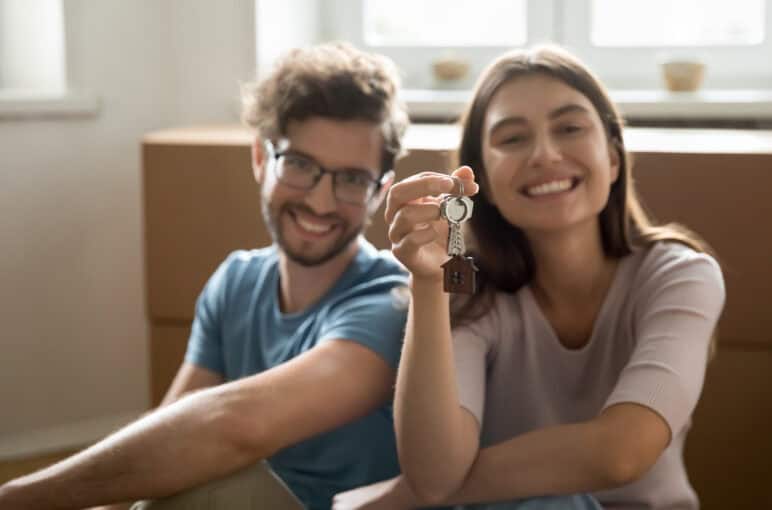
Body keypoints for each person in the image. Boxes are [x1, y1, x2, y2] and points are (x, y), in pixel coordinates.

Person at [0, 42, 411, 510]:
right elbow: (174, 427)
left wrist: (18, 499)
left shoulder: (391, 301)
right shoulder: (236, 281)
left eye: (352, 179)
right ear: (261, 159)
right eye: (299, 164)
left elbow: (234, 426)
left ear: (381, 192)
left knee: (208, 485)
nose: (320, 202)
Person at [334, 44, 725, 509]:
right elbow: (434, 467)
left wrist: (408, 497)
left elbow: (622, 452)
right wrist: (428, 283)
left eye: (570, 127)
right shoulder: (471, 294)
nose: (544, 154)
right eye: (513, 138)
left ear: (614, 160)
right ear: (484, 185)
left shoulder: (680, 277)